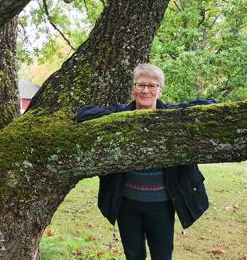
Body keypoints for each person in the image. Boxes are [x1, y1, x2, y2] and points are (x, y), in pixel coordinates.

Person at [76, 63, 215, 260]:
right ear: (133, 88)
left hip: (162, 204)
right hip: (127, 205)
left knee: (162, 256)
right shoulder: (121, 113)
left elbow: (210, 104)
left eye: (152, 86)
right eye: (141, 85)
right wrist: (121, 117)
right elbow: (82, 115)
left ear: (160, 90)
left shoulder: (172, 115)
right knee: (133, 256)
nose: (145, 90)